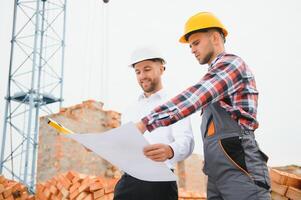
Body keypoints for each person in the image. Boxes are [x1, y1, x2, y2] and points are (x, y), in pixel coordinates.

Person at [136, 12, 271, 200]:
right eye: (190, 45)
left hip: (240, 166)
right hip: (217, 170)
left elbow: (194, 97)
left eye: (196, 42)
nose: (192, 49)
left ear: (215, 37)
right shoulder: (215, 75)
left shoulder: (231, 64)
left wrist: (145, 123)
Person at [113, 47, 195, 200]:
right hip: (128, 182)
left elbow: (187, 141)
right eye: (138, 72)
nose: (142, 76)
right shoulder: (130, 109)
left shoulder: (175, 104)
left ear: (162, 69)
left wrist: (170, 150)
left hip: (159, 183)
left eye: (147, 69)